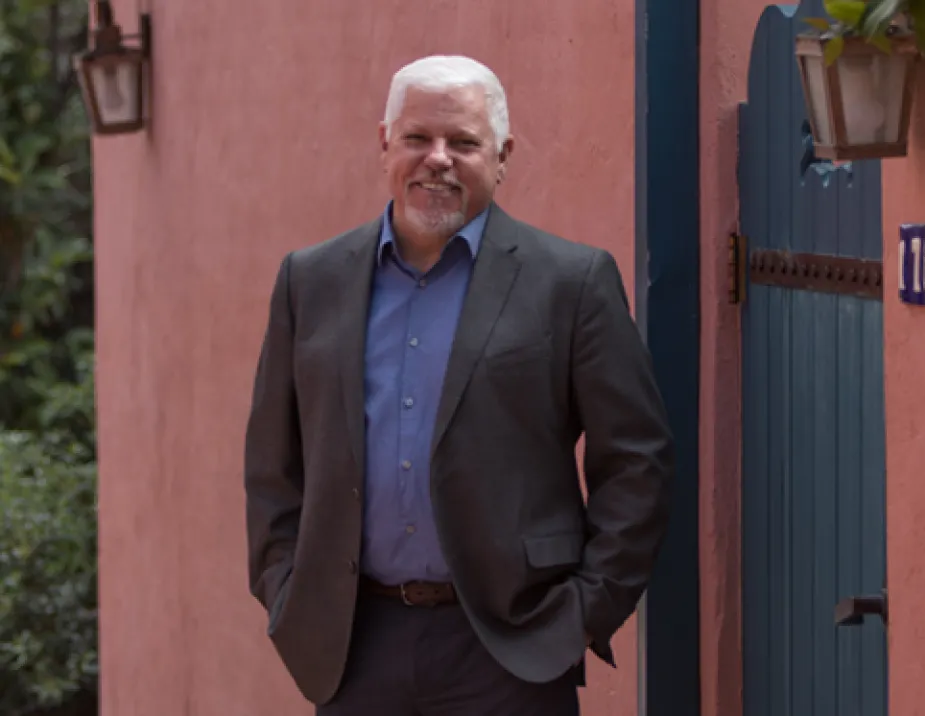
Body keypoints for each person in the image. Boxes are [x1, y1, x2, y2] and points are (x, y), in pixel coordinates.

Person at [243, 54, 674, 716]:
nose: (437, 159)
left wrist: (585, 612)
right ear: (385, 142)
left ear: (502, 156)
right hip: (353, 647)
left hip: (511, 647)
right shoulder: (311, 280)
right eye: (417, 138)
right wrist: (284, 587)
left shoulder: (571, 282)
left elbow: (636, 460)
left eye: (464, 143)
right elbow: (274, 463)